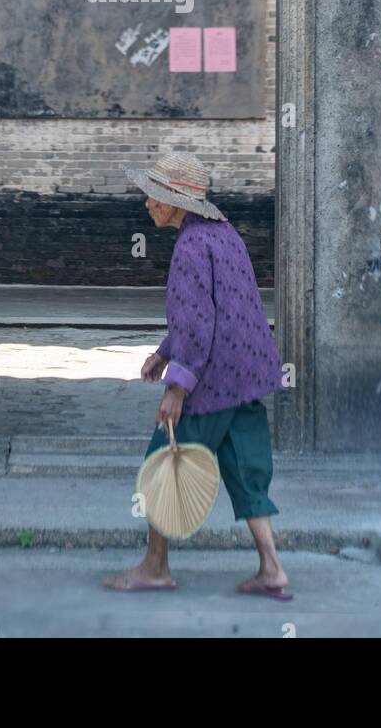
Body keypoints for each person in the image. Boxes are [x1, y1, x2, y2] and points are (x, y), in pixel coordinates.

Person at [103, 150, 292, 599]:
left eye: (155, 195)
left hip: (212, 382)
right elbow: (219, 309)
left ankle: (155, 567)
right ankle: (272, 568)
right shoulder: (224, 235)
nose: (148, 203)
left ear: (176, 202)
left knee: (160, 464)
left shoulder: (189, 247)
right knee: (247, 471)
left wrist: (176, 388)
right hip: (244, 375)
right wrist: (164, 352)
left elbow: (197, 323)